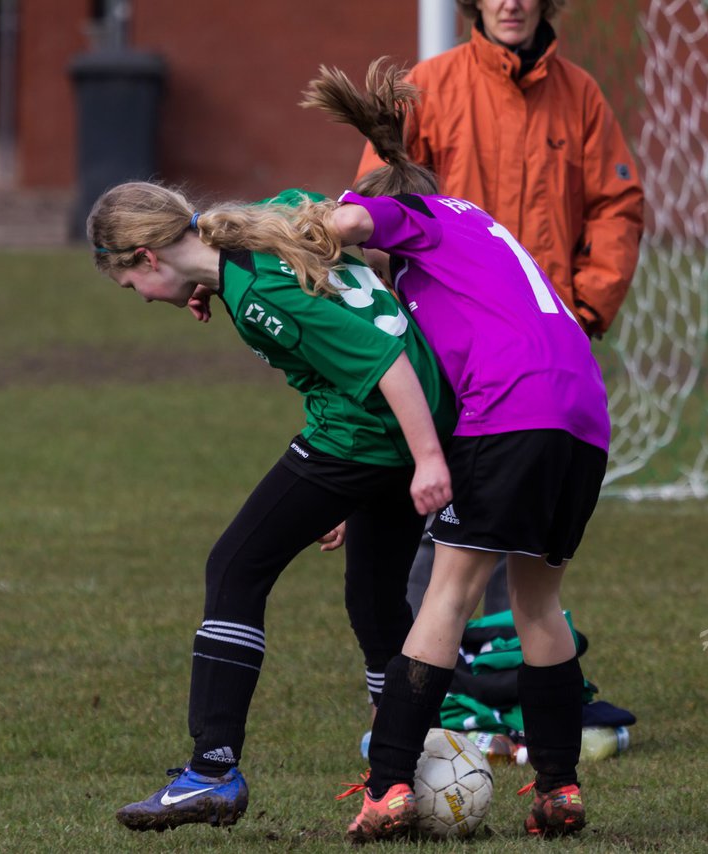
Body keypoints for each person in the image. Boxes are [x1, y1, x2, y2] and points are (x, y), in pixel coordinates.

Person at [86, 182, 457, 831]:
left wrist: (426, 461)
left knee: (235, 567)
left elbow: (380, 358)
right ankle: (402, 757)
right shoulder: (271, 222)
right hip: (402, 427)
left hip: (372, 433)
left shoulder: (257, 296)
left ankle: (212, 771)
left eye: (131, 286)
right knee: (373, 596)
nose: (142, 301)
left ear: (148, 258)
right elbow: (338, 243)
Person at [307, 60, 609, 841]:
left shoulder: (421, 219)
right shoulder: (482, 232)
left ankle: (389, 787)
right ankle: (559, 788)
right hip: (581, 417)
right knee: (538, 601)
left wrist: (268, 239)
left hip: (514, 413)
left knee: (446, 596)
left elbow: (350, 225)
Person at [357, 0, 644, 616]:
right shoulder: (431, 85)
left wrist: (583, 310)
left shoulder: (581, 94)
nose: (510, 2)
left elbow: (616, 205)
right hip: (449, 345)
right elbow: (375, 209)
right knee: (448, 521)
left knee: (531, 540)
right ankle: (433, 683)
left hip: (539, 351)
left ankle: (502, 681)